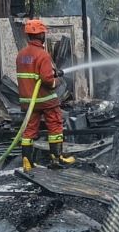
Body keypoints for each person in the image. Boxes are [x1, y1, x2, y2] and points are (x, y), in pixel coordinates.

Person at [16, 19, 75, 172]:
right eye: (43, 33)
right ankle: (56, 158)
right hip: (45, 99)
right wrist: (57, 81)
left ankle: (27, 162)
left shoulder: (21, 55)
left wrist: (51, 72)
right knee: (55, 124)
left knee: (29, 130)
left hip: (28, 100)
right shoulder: (43, 55)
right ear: (40, 34)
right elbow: (47, 80)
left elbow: (33, 74)